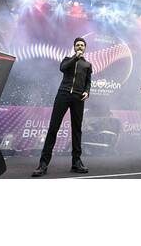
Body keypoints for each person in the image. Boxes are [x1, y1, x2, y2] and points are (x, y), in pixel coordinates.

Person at [32, 37, 92, 177]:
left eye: (82, 45)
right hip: (63, 95)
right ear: (74, 47)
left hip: (78, 98)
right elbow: (62, 68)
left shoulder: (88, 65)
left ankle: (76, 162)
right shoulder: (67, 60)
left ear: (85, 48)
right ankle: (43, 164)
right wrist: (75, 57)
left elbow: (88, 82)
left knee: (77, 130)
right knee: (53, 128)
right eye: (77, 45)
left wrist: (87, 91)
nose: (80, 47)